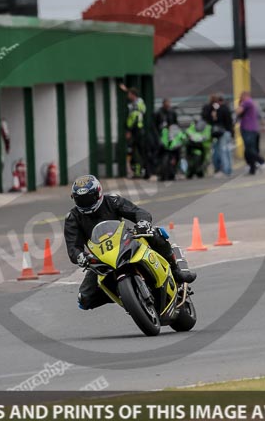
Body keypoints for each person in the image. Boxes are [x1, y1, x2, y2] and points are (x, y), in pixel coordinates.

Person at [64, 175, 197, 310]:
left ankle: (176, 271)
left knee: (155, 233)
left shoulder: (112, 201)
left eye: (88, 198)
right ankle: (123, 295)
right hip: (101, 257)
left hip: (125, 240)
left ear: (98, 193)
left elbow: (139, 212)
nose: (85, 203)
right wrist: (81, 256)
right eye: (80, 199)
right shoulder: (72, 218)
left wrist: (142, 223)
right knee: (84, 300)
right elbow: (73, 247)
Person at [120, 84, 147, 178]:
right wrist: (126, 90)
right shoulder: (133, 103)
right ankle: (135, 171)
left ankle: (142, 171)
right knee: (131, 152)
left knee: (138, 152)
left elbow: (135, 117)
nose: (128, 96)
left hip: (137, 131)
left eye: (129, 94)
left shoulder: (139, 103)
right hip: (134, 130)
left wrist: (129, 130)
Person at [236, 91, 265, 175]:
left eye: (241, 96)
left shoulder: (247, 102)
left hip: (248, 128)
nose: (240, 98)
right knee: (249, 149)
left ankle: (261, 160)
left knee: (249, 148)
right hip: (253, 128)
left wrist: (239, 105)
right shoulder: (254, 103)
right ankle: (252, 168)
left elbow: (238, 111)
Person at [211, 95, 234, 176]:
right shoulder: (227, 109)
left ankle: (226, 170)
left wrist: (214, 116)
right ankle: (229, 169)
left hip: (222, 133)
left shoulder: (220, 110)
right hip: (229, 132)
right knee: (228, 152)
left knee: (223, 152)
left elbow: (217, 121)